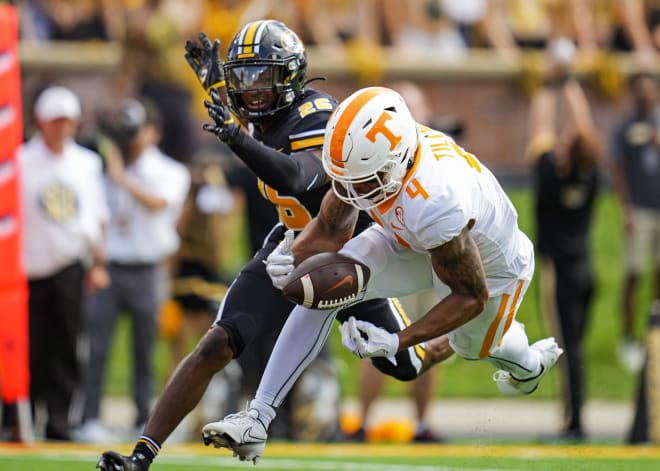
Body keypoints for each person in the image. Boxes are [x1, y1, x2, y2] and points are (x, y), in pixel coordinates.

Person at [95, 20, 448, 471]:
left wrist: (236, 137)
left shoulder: (318, 115)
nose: (252, 90)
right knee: (216, 344)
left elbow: (299, 175)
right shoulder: (259, 113)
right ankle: (141, 456)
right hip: (290, 246)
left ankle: (464, 335)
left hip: (353, 255)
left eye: (263, 77)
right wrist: (223, 93)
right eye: (245, 78)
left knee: (405, 363)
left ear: (291, 76)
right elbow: (256, 125)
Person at [202, 85, 564, 464]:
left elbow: (470, 296)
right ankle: (257, 418)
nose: (352, 191)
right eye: (346, 179)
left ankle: (530, 365)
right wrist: (290, 255)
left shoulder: (437, 199)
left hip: (492, 267)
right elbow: (331, 228)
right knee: (326, 287)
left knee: (478, 346)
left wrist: (397, 341)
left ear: (395, 164)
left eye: (362, 181)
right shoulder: (367, 161)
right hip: (407, 237)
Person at [77, 97, 190, 443]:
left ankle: (144, 417)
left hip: (147, 268)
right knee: (96, 346)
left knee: (145, 349)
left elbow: (159, 204)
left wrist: (120, 178)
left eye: (134, 133)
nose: (127, 141)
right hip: (110, 267)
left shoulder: (169, 171)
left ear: (153, 132)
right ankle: (89, 416)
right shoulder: (102, 168)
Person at [17, 85, 110, 441]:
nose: (62, 128)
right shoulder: (21, 161)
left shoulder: (86, 163)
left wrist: (99, 261)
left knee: (67, 345)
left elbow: (94, 216)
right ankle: (23, 415)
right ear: (41, 121)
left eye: (67, 121)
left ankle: (59, 420)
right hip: (29, 266)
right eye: (56, 121)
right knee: (30, 345)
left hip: (69, 264)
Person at [527, 48, 602, 441]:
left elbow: (539, 127)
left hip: (559, 271)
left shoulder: (550, 174)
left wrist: (549, 83)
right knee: (576, 350)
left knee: (566, 349)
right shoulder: (590, 174)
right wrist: (571, 81)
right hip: (587, 271)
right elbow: (585, 127)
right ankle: (572, 418)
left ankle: (573, 423)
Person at [611, 72, 660, 373]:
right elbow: (618, 169)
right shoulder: (626, 129)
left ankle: (654, 331)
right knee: (634, 273)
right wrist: (625, 208)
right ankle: (629, 338)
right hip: (639, 209)